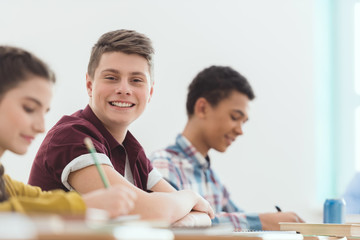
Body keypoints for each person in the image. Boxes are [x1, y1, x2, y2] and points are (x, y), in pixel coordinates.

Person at [28, 29, 214, 225]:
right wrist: (190, 196)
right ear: (90, 85)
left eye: (136, 80)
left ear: (149, 92)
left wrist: (183, 217)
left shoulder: (133, 150)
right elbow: (151, 212)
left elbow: (205, 216)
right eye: (111, 77)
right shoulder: (71, 137)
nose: (124, 89)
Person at [149, 65, 304, 230]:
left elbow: (239, 218)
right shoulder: (163, 165)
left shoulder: (212, 177)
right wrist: (262, 221)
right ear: (202, 108)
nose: (240, 130)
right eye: (235, 117)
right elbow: (178, 222)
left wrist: (270, 221)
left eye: (243, 122)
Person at [0, 45, 137, 217]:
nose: (41, 127)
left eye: (44, 112)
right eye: (29, 108)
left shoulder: (5, 185)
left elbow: (35, 199)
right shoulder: (73, 134)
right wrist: (84, 205)